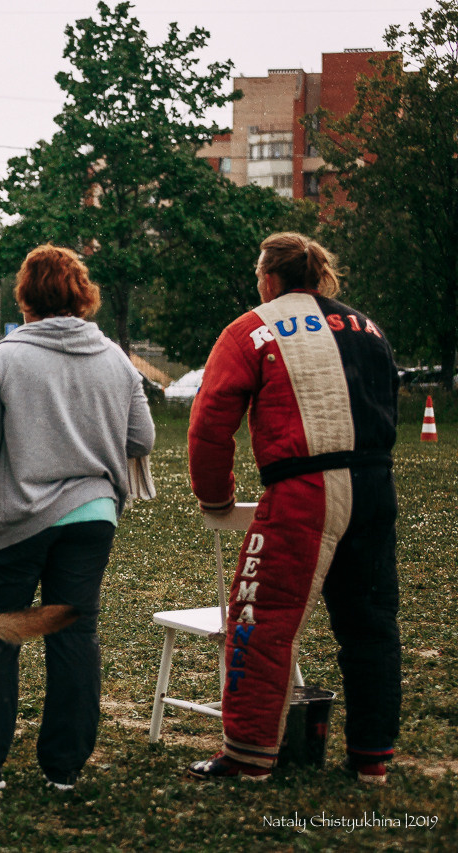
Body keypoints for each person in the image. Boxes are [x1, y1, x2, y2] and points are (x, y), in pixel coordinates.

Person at [187, 232, 400, 784]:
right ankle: (371, 758)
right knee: (371, 625)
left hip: (303, 487)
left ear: (268, 278)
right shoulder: (369, 328)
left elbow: (210, 422)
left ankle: (249, 754)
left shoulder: (250, 329)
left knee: (261, 620)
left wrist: (216, 496)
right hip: (376, 486)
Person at [0, 244, 156, 792]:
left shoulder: (7, 358)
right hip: (92, 517)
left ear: (25, 298)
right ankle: (64, 768)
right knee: (75, 634)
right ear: (83, 295)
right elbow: (142, 438)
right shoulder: (115, 358)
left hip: (15, 520)